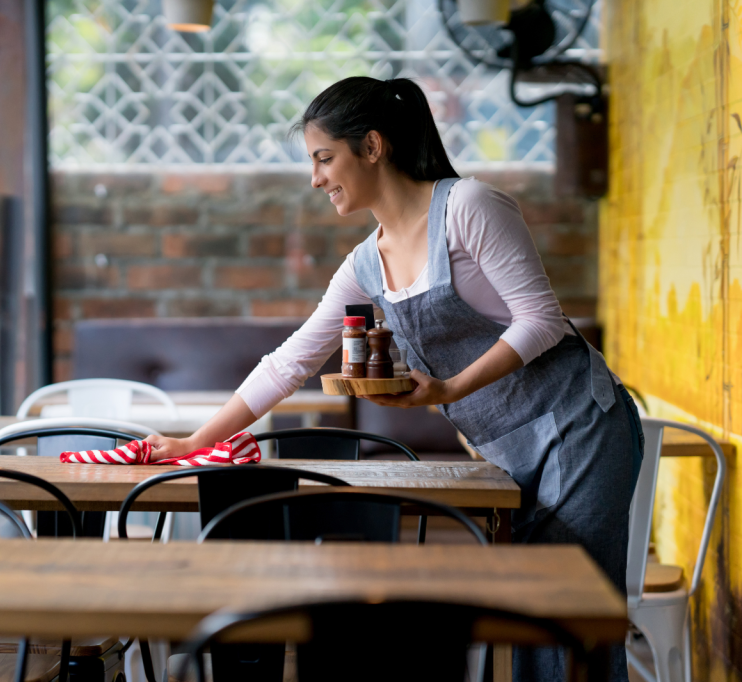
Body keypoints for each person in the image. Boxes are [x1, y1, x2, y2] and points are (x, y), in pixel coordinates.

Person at [145, 76, 643, 682]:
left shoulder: (468, 207)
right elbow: (291, 361)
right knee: (527, 617)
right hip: (506, 447)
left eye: (324, 158)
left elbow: (541, 320)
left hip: (579, 426)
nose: (315, 179)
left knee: (567, 618)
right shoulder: (365, 264)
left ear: (373, 147)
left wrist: (450, 389)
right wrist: (196, 442)